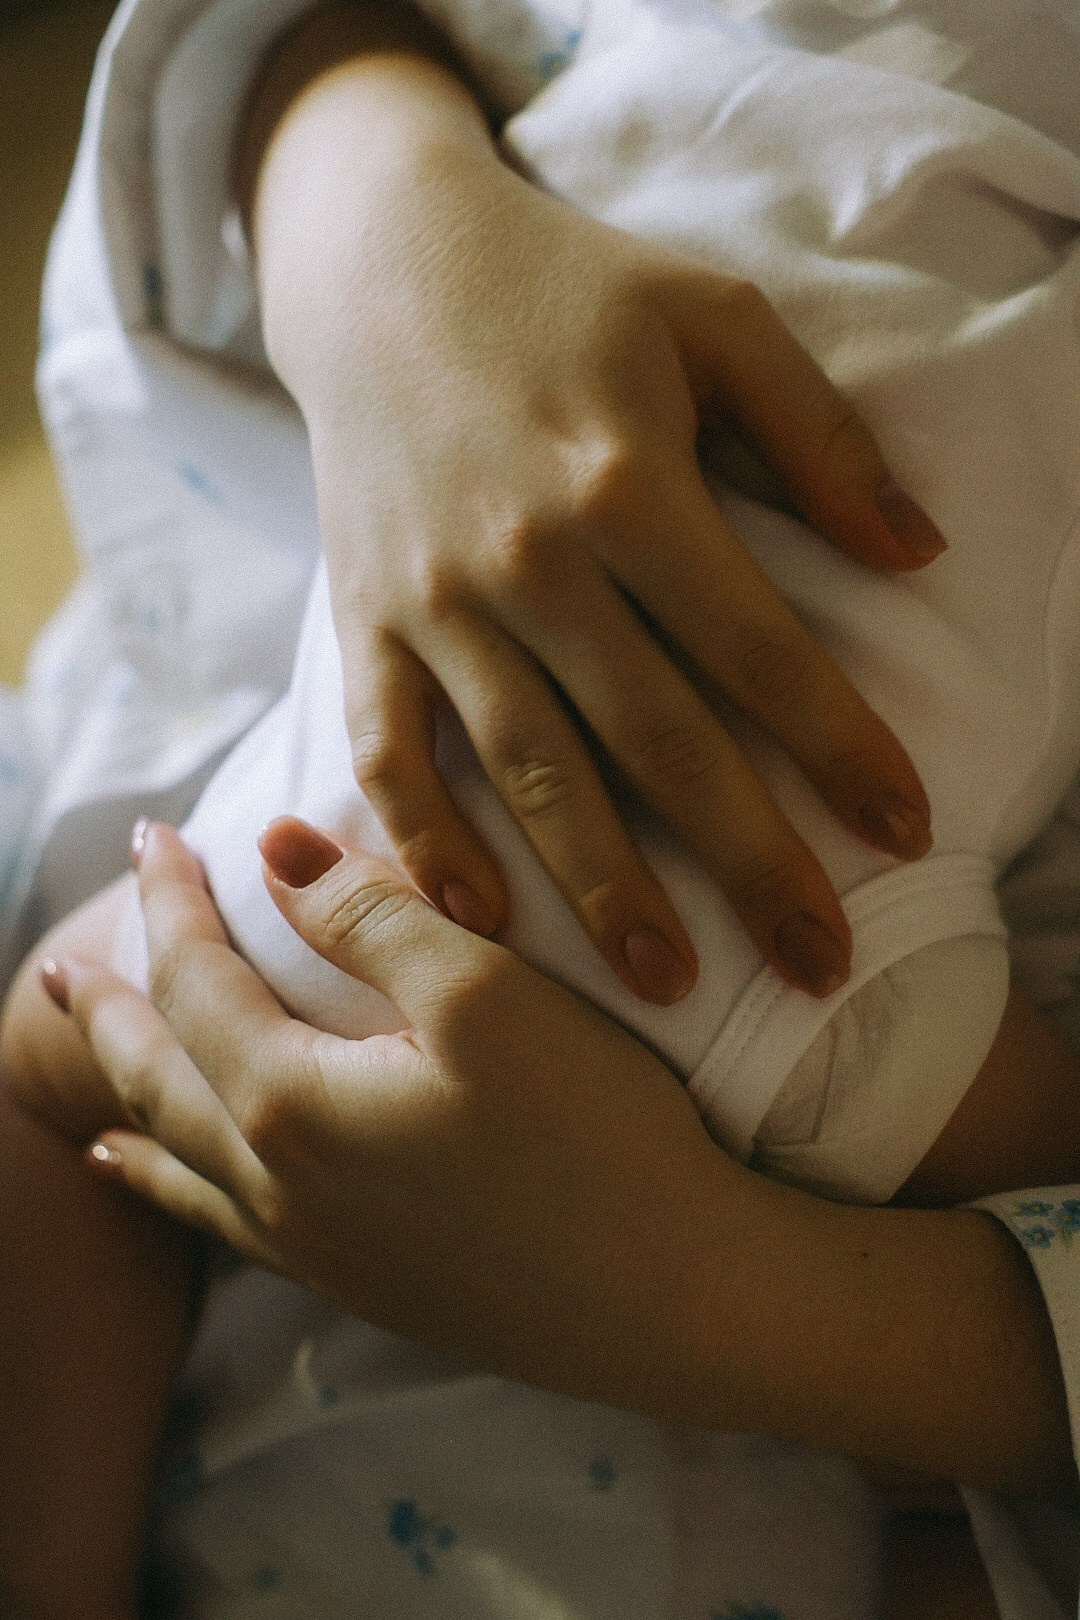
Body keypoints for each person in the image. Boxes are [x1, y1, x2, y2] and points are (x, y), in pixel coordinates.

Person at [3, 0, 1080, 1615]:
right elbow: (325, 37)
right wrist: (379, 225)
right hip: (815, 951)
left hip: (503, 868)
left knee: (68, 1045)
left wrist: (766, 1312)